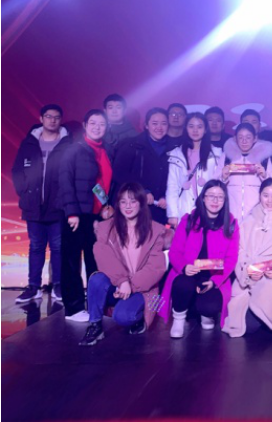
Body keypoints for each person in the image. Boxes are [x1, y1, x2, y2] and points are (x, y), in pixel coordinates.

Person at [78, 182, 167, 346]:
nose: (128, 206)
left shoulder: (155, 230)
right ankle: (95, 325)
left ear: (141, 203)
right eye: (123, 202)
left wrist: (129, 285)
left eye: (133, 201)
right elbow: (104, 257)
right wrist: (122, 281)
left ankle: (139, 319)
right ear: (118, 204)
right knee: (96, 279)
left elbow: (156, 268)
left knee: (123, 317)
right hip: (118, 284)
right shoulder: (106, 228)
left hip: (143, 290)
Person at [160, 180, 239, 337]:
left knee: (209, 307)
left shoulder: (231, 224)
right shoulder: (188, 220)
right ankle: (179, 319)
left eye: (220, 197)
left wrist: (215, 281)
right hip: (188, 273)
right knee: (182, 285)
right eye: (211, 196)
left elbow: (231, 258)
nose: (215, 200)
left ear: (225, 201)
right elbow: (175, 251)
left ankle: (205, 314)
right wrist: (184, 267)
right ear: (203, 198)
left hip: (214, 276)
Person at [223, 179, 272, 337]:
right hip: (248, 277)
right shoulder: (250, 220)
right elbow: (239, 250)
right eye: (265, 195)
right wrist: (247, 271)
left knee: (253, 323)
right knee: (240, 322)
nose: (269, 200)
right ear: (259, 196)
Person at [11, 104, 72, 303]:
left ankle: (58, 286)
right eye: (48, 116)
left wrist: (65, 198)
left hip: (57, 206)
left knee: (58, 247)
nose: (52, 120)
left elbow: (72, 172)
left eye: (56, 117)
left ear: (60, 120)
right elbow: (17, 170)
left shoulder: (67, 144)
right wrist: (24, 192)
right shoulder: (29, 143)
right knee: (36, 247)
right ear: (41, 119)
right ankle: (34, 287)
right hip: (33, 206)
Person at [59, 109, 114, 322]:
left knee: (95, 261)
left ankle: (95, 306)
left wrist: (106, 205)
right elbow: (65, 181)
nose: (97, 127)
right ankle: (73, 309)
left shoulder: (106, 150)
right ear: (85, 125)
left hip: (96, 215)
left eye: (102, 124)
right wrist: (71, 212)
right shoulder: (74, 149)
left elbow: (100, 184)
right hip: (76, 215)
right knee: (72, 262)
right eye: (93, 123)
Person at [113, 108, 173, 225]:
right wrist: (142, 190)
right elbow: (119, 173)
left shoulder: (175, 147)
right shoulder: (132, 144)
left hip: (161, 208)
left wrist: (167, 196)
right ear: (146, 125)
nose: (159, 127)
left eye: (163, 123)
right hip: (135, 206)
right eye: (154, 123)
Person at [166, 113, 223, 228]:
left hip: (208, 208)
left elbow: (219, 183)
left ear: (205, 129)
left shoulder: (216, 154)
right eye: (191, 126)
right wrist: (173, 214)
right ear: (186, 128)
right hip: (184, 206)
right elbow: (172, 186)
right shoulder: (176, 154)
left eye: (199, 127)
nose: (195, 130)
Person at [221, 123, 272, 223]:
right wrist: (223, 178)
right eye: (240, 137)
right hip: (231, 213)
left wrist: (264, 176)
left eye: (248, 137)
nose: (244, 141)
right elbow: (215, 184)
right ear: (235, 139)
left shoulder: (264, 158)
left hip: (256, 214)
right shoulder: (227, 157)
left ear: (255, 138)